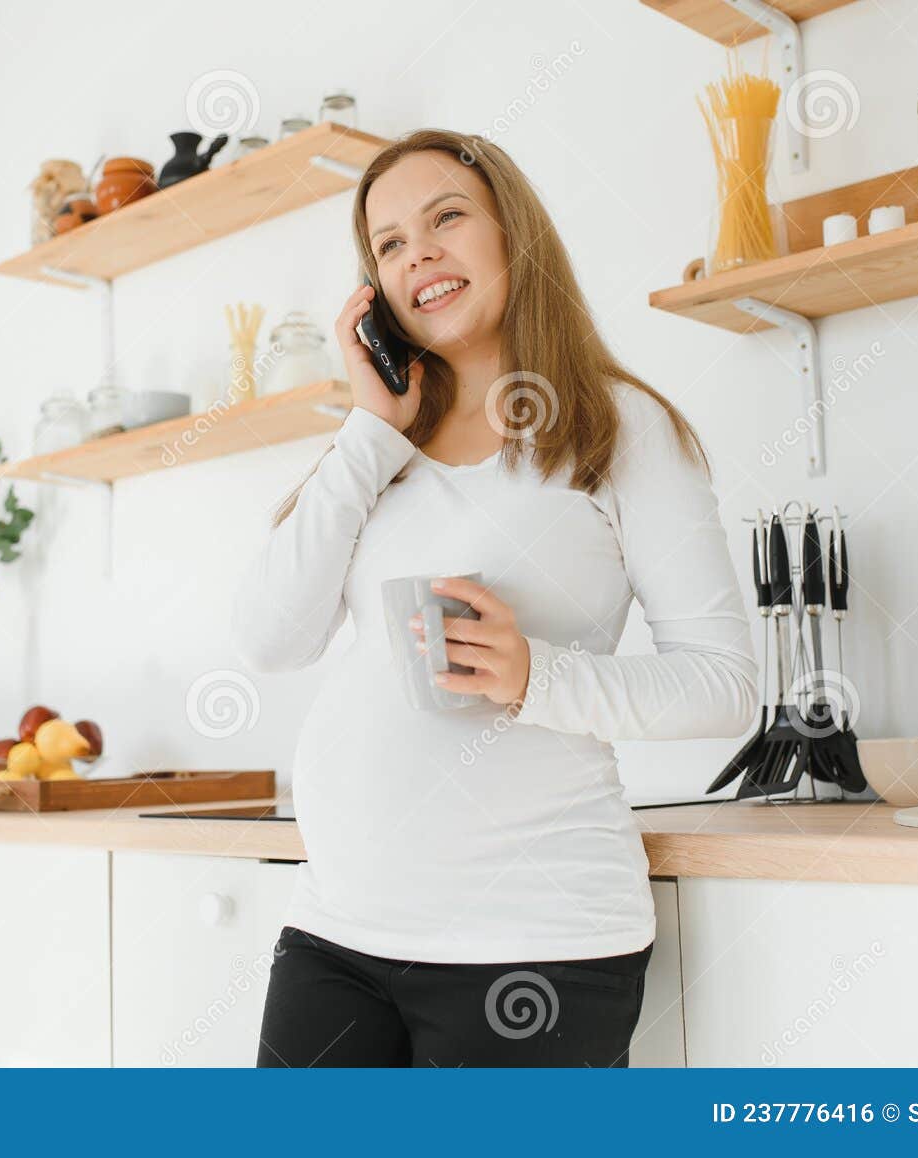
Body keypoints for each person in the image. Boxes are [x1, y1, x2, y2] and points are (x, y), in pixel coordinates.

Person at [230, 128, 757, 1067]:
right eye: (387, 243)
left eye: (445, 218)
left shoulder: (620, 428)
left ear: (513, 232)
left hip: (536, 946)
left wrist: (536, 678)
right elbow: (272, 639)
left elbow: (724, 686)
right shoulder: (377, 450)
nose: (417, 251)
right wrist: (367, 429)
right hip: (337, 933)